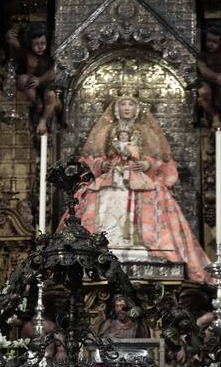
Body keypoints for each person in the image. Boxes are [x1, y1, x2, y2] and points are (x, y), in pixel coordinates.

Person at [74, 95, 210, 281]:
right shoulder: (105, 131)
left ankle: (145, 248)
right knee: (100, 200)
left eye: (130, 104)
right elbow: (91, 158)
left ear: (137, 109)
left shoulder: (147, 132)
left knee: (153, 198)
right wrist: (101, 165)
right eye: (123, 104)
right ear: (116, 109)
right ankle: (102, 247)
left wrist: (147, 165)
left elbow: (161, 160)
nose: (127, 108)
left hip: (138, 180)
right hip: (111, 179)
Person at [6, 24, 61, 136]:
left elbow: (55, 70)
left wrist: (40, 80)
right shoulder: (25, 53)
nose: (40, 47)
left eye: (43, 43)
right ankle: (38, 104)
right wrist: (13, 31)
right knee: (22, 79)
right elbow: (10, 39)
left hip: (48, 83)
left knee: (50, 95)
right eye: (36, 44)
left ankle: (43, 121)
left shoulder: (51, 54)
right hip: (32, 86)